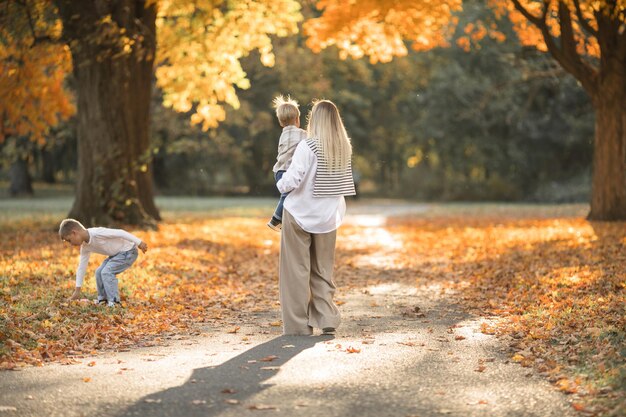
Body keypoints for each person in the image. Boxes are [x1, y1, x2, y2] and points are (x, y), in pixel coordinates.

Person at [276, 99, 356, 335]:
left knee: (296, 271)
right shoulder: (344, 148)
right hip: (327, 218)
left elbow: (292, 180)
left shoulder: (307, 146)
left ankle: (298, 326)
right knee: (323, 269)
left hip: (300, 214)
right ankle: (327, 317)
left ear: (315, 120)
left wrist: (280, 183)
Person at [58, 218, 148, 307]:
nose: (71, 244)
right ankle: (103, 300)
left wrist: (139, 242)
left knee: (107, 272)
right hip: (116, 255)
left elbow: (121, 233)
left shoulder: (97, 233)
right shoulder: (85, 247)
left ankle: (115, 302)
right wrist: (77, 290)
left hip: (128, 251)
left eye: (69, 240)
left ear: (74, 233)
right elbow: (81, 267)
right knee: (99, 272)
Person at [268, 95, 308, 231]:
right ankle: (275, 219)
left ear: (280, 122)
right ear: (297, 119)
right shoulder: (303, 134)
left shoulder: (283, 134)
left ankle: (287, 219)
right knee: (286, 195)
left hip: (278, 171)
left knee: (289, 195)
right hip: (286, 170)